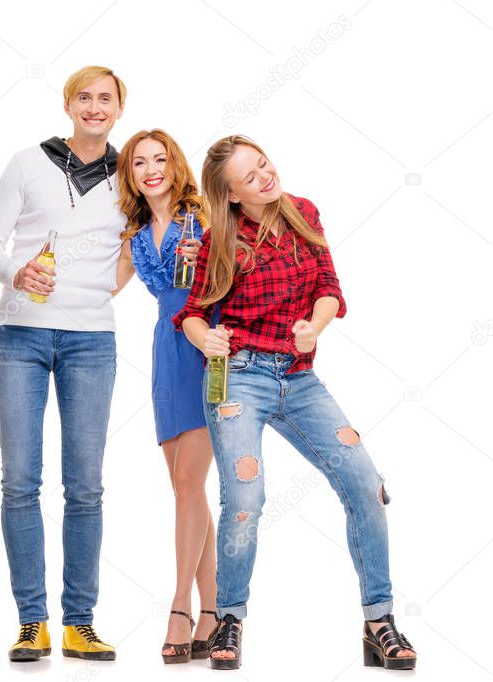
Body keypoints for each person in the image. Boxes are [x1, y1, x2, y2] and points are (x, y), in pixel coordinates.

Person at [174, 134, 417, 671]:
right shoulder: (221, 238)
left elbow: (329, 285)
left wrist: (315, 326)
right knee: (245, 497)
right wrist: (205, 338)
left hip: (300, 377)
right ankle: (227, 620)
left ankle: (378, 622)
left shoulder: (303, 212)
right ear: (233, 195)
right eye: (250, 176)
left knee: (366, 486)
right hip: (239, 376)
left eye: (264, 163)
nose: (265, 176)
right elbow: (192, 312)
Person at [0, 65, 128, 662]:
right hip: (21, 334)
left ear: (121, 108)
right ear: (68, 104)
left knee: (86, 486)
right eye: (85, 97)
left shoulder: (134, 175)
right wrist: (16, 272)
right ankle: (31, 621)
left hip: (91, 340)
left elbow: (137, 253)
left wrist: (97, 292)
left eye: (106, 99)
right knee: (20, 481)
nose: (95, 107)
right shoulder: (26, 162)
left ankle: (80, 622)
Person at [115, 128, 217, 663]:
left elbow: (234, 274)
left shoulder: (203, 216)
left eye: (160, 159)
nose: (151, 169)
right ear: (129, 174)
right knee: (187, 490)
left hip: (206, 345)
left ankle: (180, 605)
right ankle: (214, 611)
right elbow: (104, 286)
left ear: (175, 165)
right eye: (139, 163)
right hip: (164, 350)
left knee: (187, 482)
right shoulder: (133, 233)